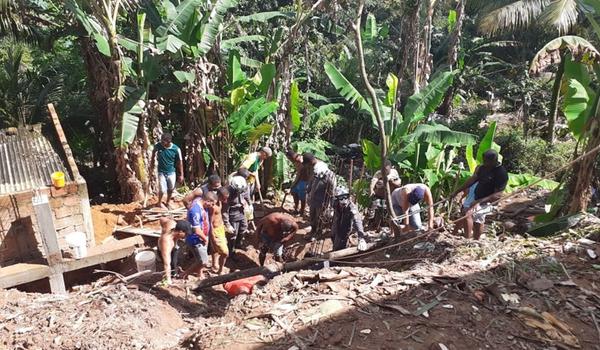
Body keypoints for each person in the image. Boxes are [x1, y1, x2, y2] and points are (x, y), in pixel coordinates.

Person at [451, 149, 508, 240]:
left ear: (494, 160)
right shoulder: (482, 168)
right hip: (476, 197)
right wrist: (457, 191)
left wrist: (479, 201)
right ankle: (476, 241)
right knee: (478, 221)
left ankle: (467, 240)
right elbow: (473, 179)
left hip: (488, 201)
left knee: (467, 214)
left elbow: (498, 195)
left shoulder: (501, 173)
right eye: (484, 161)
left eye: (487, 161)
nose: (485, 163)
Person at [183, 191, 217, 279]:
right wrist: (205, 239)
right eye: (212, 204)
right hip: (196, 239)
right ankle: (185, 274)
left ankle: (199, 273)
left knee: (201, 257)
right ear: (207, 201)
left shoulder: (200, 201)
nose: (212, 206)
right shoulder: (195, 211)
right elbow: (196, 229)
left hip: (203, 236)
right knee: (203, 261)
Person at [305, 154, 336, 236]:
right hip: (314, 199)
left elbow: (332, 189)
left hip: (322, 200)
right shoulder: (315, 171)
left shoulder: (328, 175)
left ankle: (318, 233)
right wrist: (308, 193)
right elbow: (311, 184)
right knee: (312, 216)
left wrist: (330, 201)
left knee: (319, 217)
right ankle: (313, 230)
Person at [150, 133, 184, 209]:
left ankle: (167, 202)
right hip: (161, 172)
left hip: (171, 172)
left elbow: (180, 162)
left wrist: (181, 174)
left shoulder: (176, 149)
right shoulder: (158, 146)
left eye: (164, 141)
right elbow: (153, 152)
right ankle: (159, 202)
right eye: (161, 141)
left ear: (169, 141)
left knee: (171, 188)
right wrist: (152, 163)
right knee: (162, 190)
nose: (162, 143)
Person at [331, 186, 368, 251]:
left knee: (340, 243)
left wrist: (361, 238)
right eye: (341, 197)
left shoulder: (352, 208)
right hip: (335, 225)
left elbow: (357, 221)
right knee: (333, 236)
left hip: (344, 228)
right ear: (337, 198)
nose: (343, 199)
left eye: (345, 196)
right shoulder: (335, 203)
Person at [223, 173, 251, 259]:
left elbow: (247, 196)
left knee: (243, 228)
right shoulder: (227, 193)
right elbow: (224, 211)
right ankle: (231, 252)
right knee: (233, 234)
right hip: (233, 215)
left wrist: (249, 205)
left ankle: (238, 244)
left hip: (242, 212)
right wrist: (227, 224)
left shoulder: (244, 187)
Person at [158, 218, 191, 285]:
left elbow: (162, 219)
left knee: (175, 262)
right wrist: (168, 280)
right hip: (165, 248)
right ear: (180, 232)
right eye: (186, 234)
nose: (186, 236)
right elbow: (167, 264)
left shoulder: (172, 224)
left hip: (174, 245)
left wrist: (162, 231)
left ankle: (174, 273)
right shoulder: (167, 242)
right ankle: (170, 277)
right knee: (171, 264)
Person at [210, 187, 230, 274]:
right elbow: (209, 222)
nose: (226, 200)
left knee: (215, 249)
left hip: (220, 228)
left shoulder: (220, 202)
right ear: (218, 196)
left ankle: (214, 264)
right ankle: (220, 270)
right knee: (225, 253)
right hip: (215, 230)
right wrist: (212, 236)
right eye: (224, 198)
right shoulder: (213, 207)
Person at [286, 150, 310, 214]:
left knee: (302, 196)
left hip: (304, 181)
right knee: (294, 192)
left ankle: (302, 211)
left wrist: (293, 184)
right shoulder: (295, 161)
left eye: (289, 158)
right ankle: (296, 208)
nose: (289, 160)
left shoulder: (300, 160)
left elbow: (300, 174)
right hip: (299, 179)